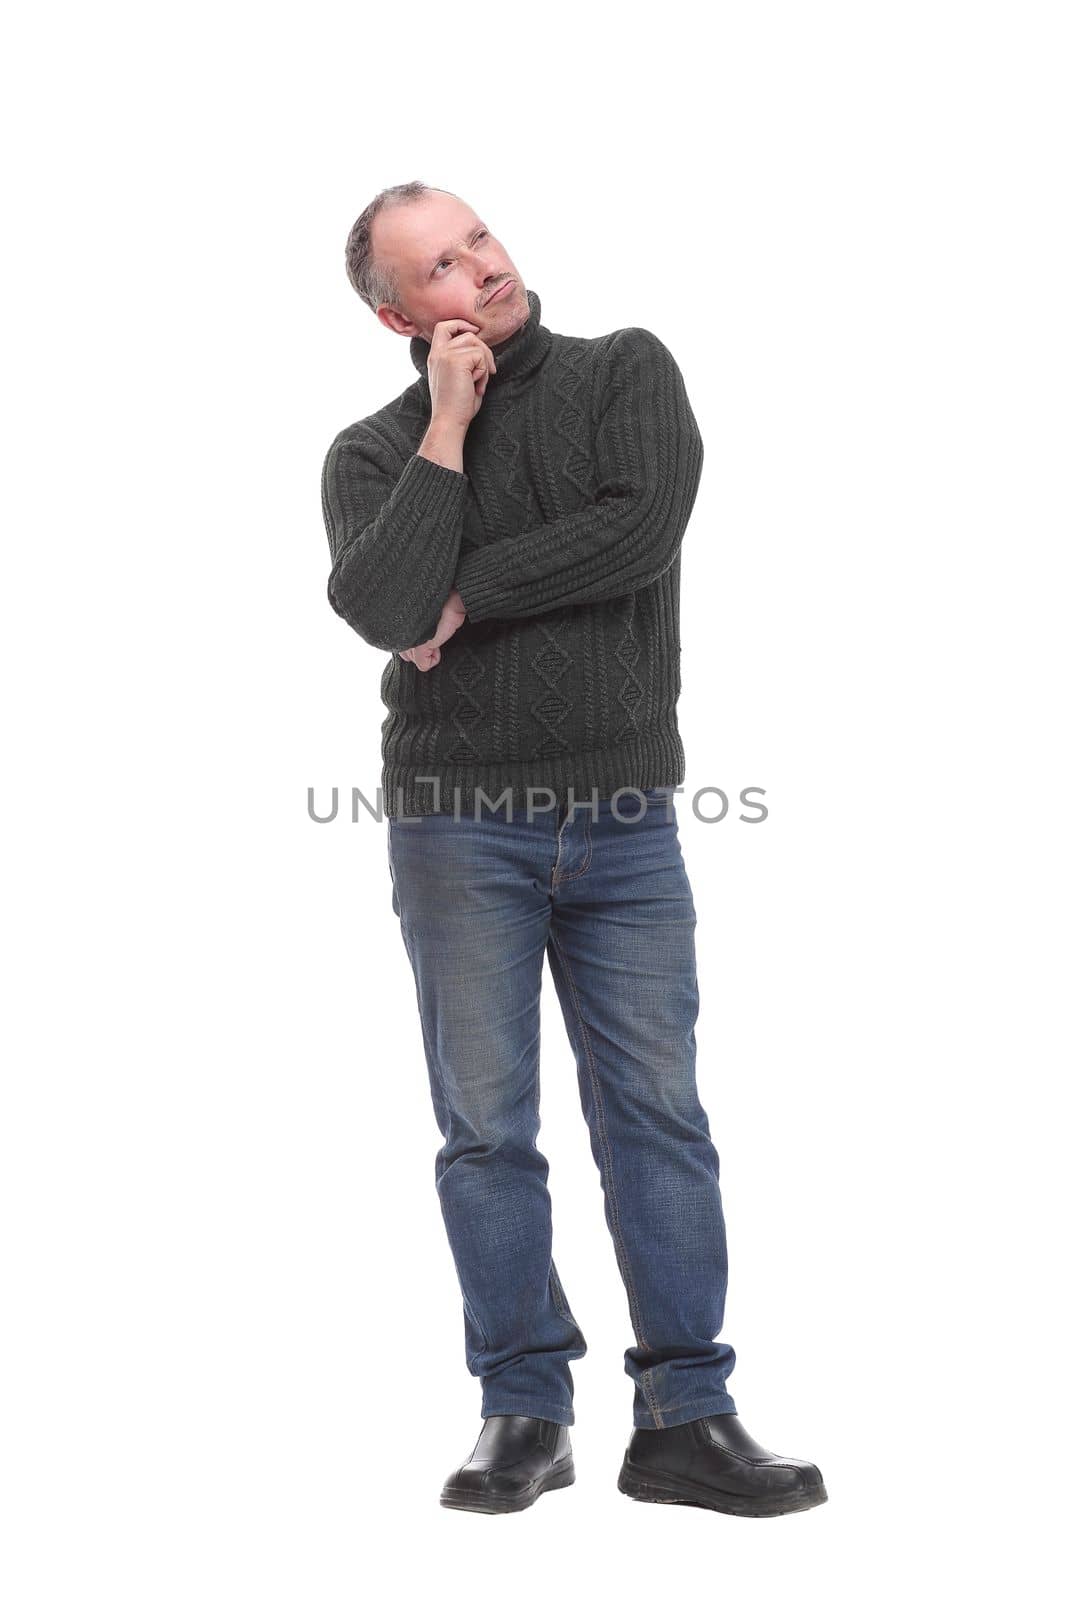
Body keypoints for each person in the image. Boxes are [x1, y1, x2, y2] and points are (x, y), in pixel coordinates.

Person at [320, 181, 827, 1517]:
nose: (477, 270)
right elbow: (377, 605)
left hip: (624, 826)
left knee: (657, 1117)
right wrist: (447, 430)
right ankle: (524, 1413)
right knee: (487, 1133)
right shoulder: (372, 456)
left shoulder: (625, 374)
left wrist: (467, 590)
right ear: (398, 315)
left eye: (477, 237)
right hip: (455, 826)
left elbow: (639, 529)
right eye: (437, 267)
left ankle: (686, 1419)